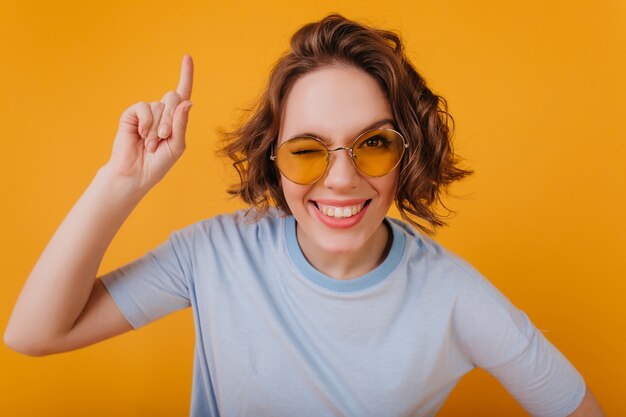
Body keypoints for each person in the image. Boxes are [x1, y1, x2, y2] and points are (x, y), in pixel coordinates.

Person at [4, 14, 604, 417]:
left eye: (373, 143)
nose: (341, 177)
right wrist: (121, 183)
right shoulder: (214, 255)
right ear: (274, 157)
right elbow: (33, 334)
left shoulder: (453, 295)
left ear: (406, 153)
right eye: (307, 149)